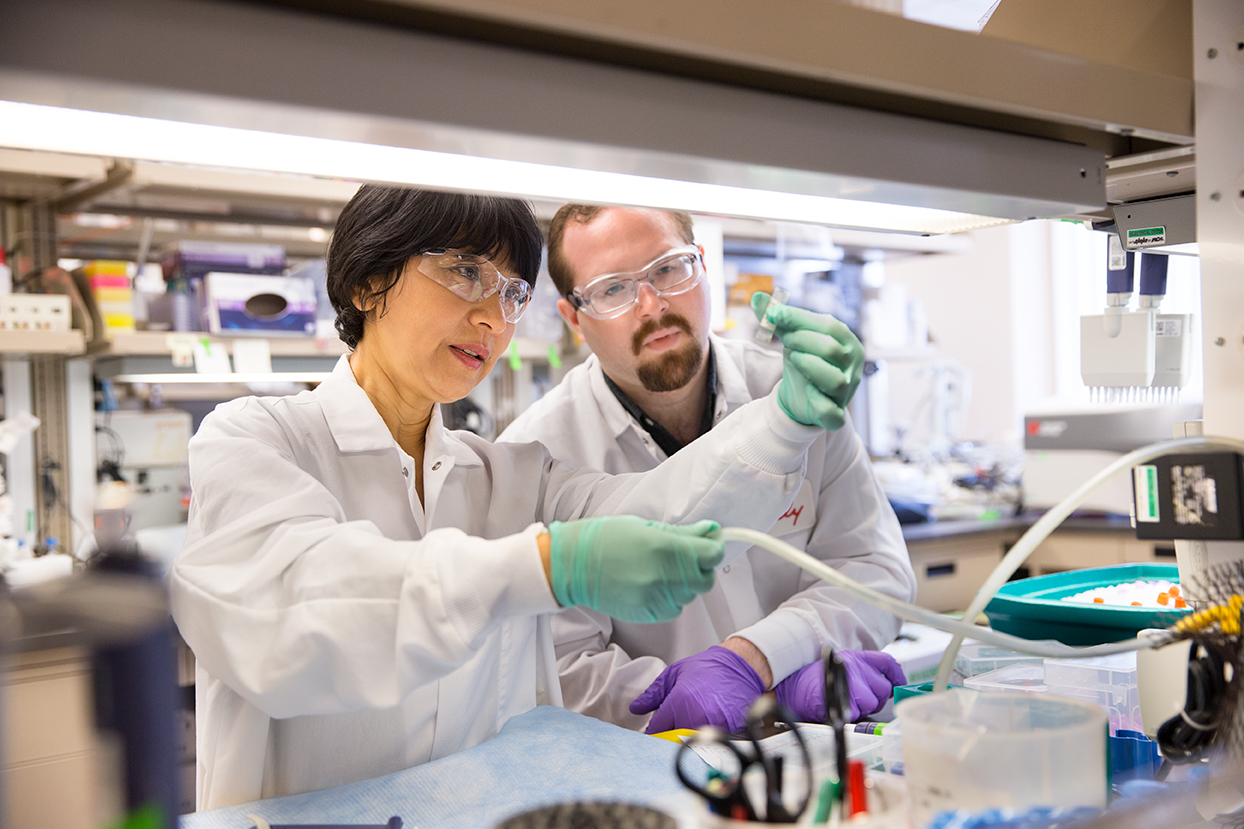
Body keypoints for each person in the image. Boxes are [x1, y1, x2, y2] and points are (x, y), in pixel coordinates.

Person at [168, 186, 852, 810]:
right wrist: (544, 566)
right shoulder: (255, 439)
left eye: (513, 292)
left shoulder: (506, 474)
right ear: (370, 280)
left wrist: (782, 420)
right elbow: (295, 618)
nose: (494, 317)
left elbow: (662, 510)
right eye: (466, 271)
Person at [499, 205, 917, 734]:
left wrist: (762, 660)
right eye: (612, 289)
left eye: (668, 269)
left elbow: (873, 570)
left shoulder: (794, 391)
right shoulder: (538, 453)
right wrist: (699, 693)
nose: (651, 305)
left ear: (702, 264)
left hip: (819, 741)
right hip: (658, 768)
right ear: (574, 319)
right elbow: (558, 666)